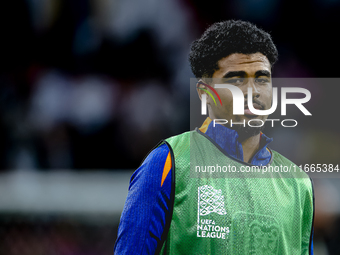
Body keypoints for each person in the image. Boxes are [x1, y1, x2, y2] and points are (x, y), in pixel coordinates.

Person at [114, 20, 314, 255]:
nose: (253, 91)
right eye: (236, 79)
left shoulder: (298, 184)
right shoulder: (168, 162)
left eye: (262, 78)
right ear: (204, 93)